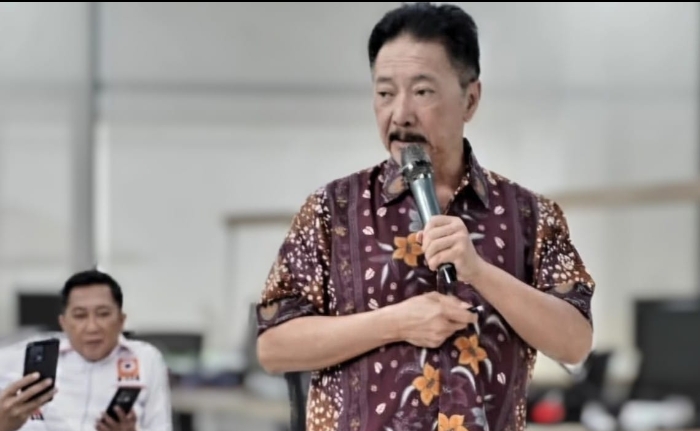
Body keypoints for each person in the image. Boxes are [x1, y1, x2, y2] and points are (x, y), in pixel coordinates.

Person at [256, 3, 596, 431]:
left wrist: (479, 271)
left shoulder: (531, 216)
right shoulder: (331, 209)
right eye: (385, 93)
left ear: (470, 99)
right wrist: (396, 323)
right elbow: (274, 346)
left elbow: (575, 343)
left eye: (422, 92)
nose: (400, 114)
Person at [0, 270, 173, 431]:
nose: (92, 327)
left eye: (103, 314)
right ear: (63, 323)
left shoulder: (146, 358)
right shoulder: (20, 357)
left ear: (121, 320)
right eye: (80, 315)